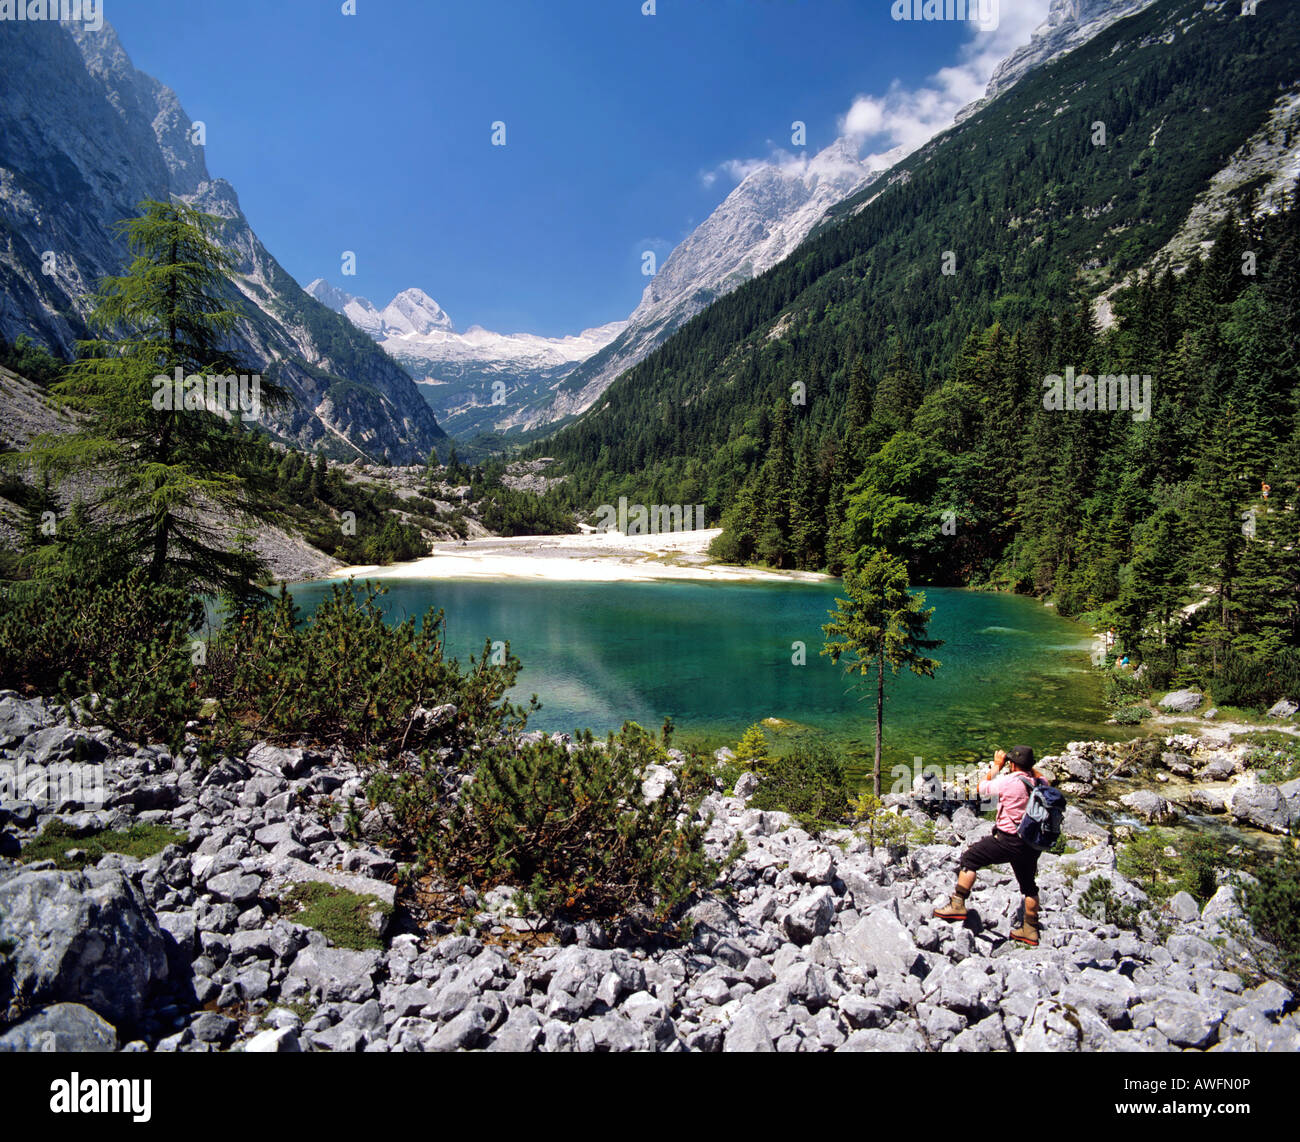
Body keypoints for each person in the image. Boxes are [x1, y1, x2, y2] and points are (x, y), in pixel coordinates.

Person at [933, 745, 1051, 947]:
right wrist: (1028, 768)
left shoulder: (1008, 782)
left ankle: (957, 903)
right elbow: (1040, 776)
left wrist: (997, 766)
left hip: (1007, 839)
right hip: (1031, 844)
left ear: (1012, 764)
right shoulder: (1041, 782)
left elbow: (982, 788)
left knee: (969, 859)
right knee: (1029, 886)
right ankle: (1030, 929)